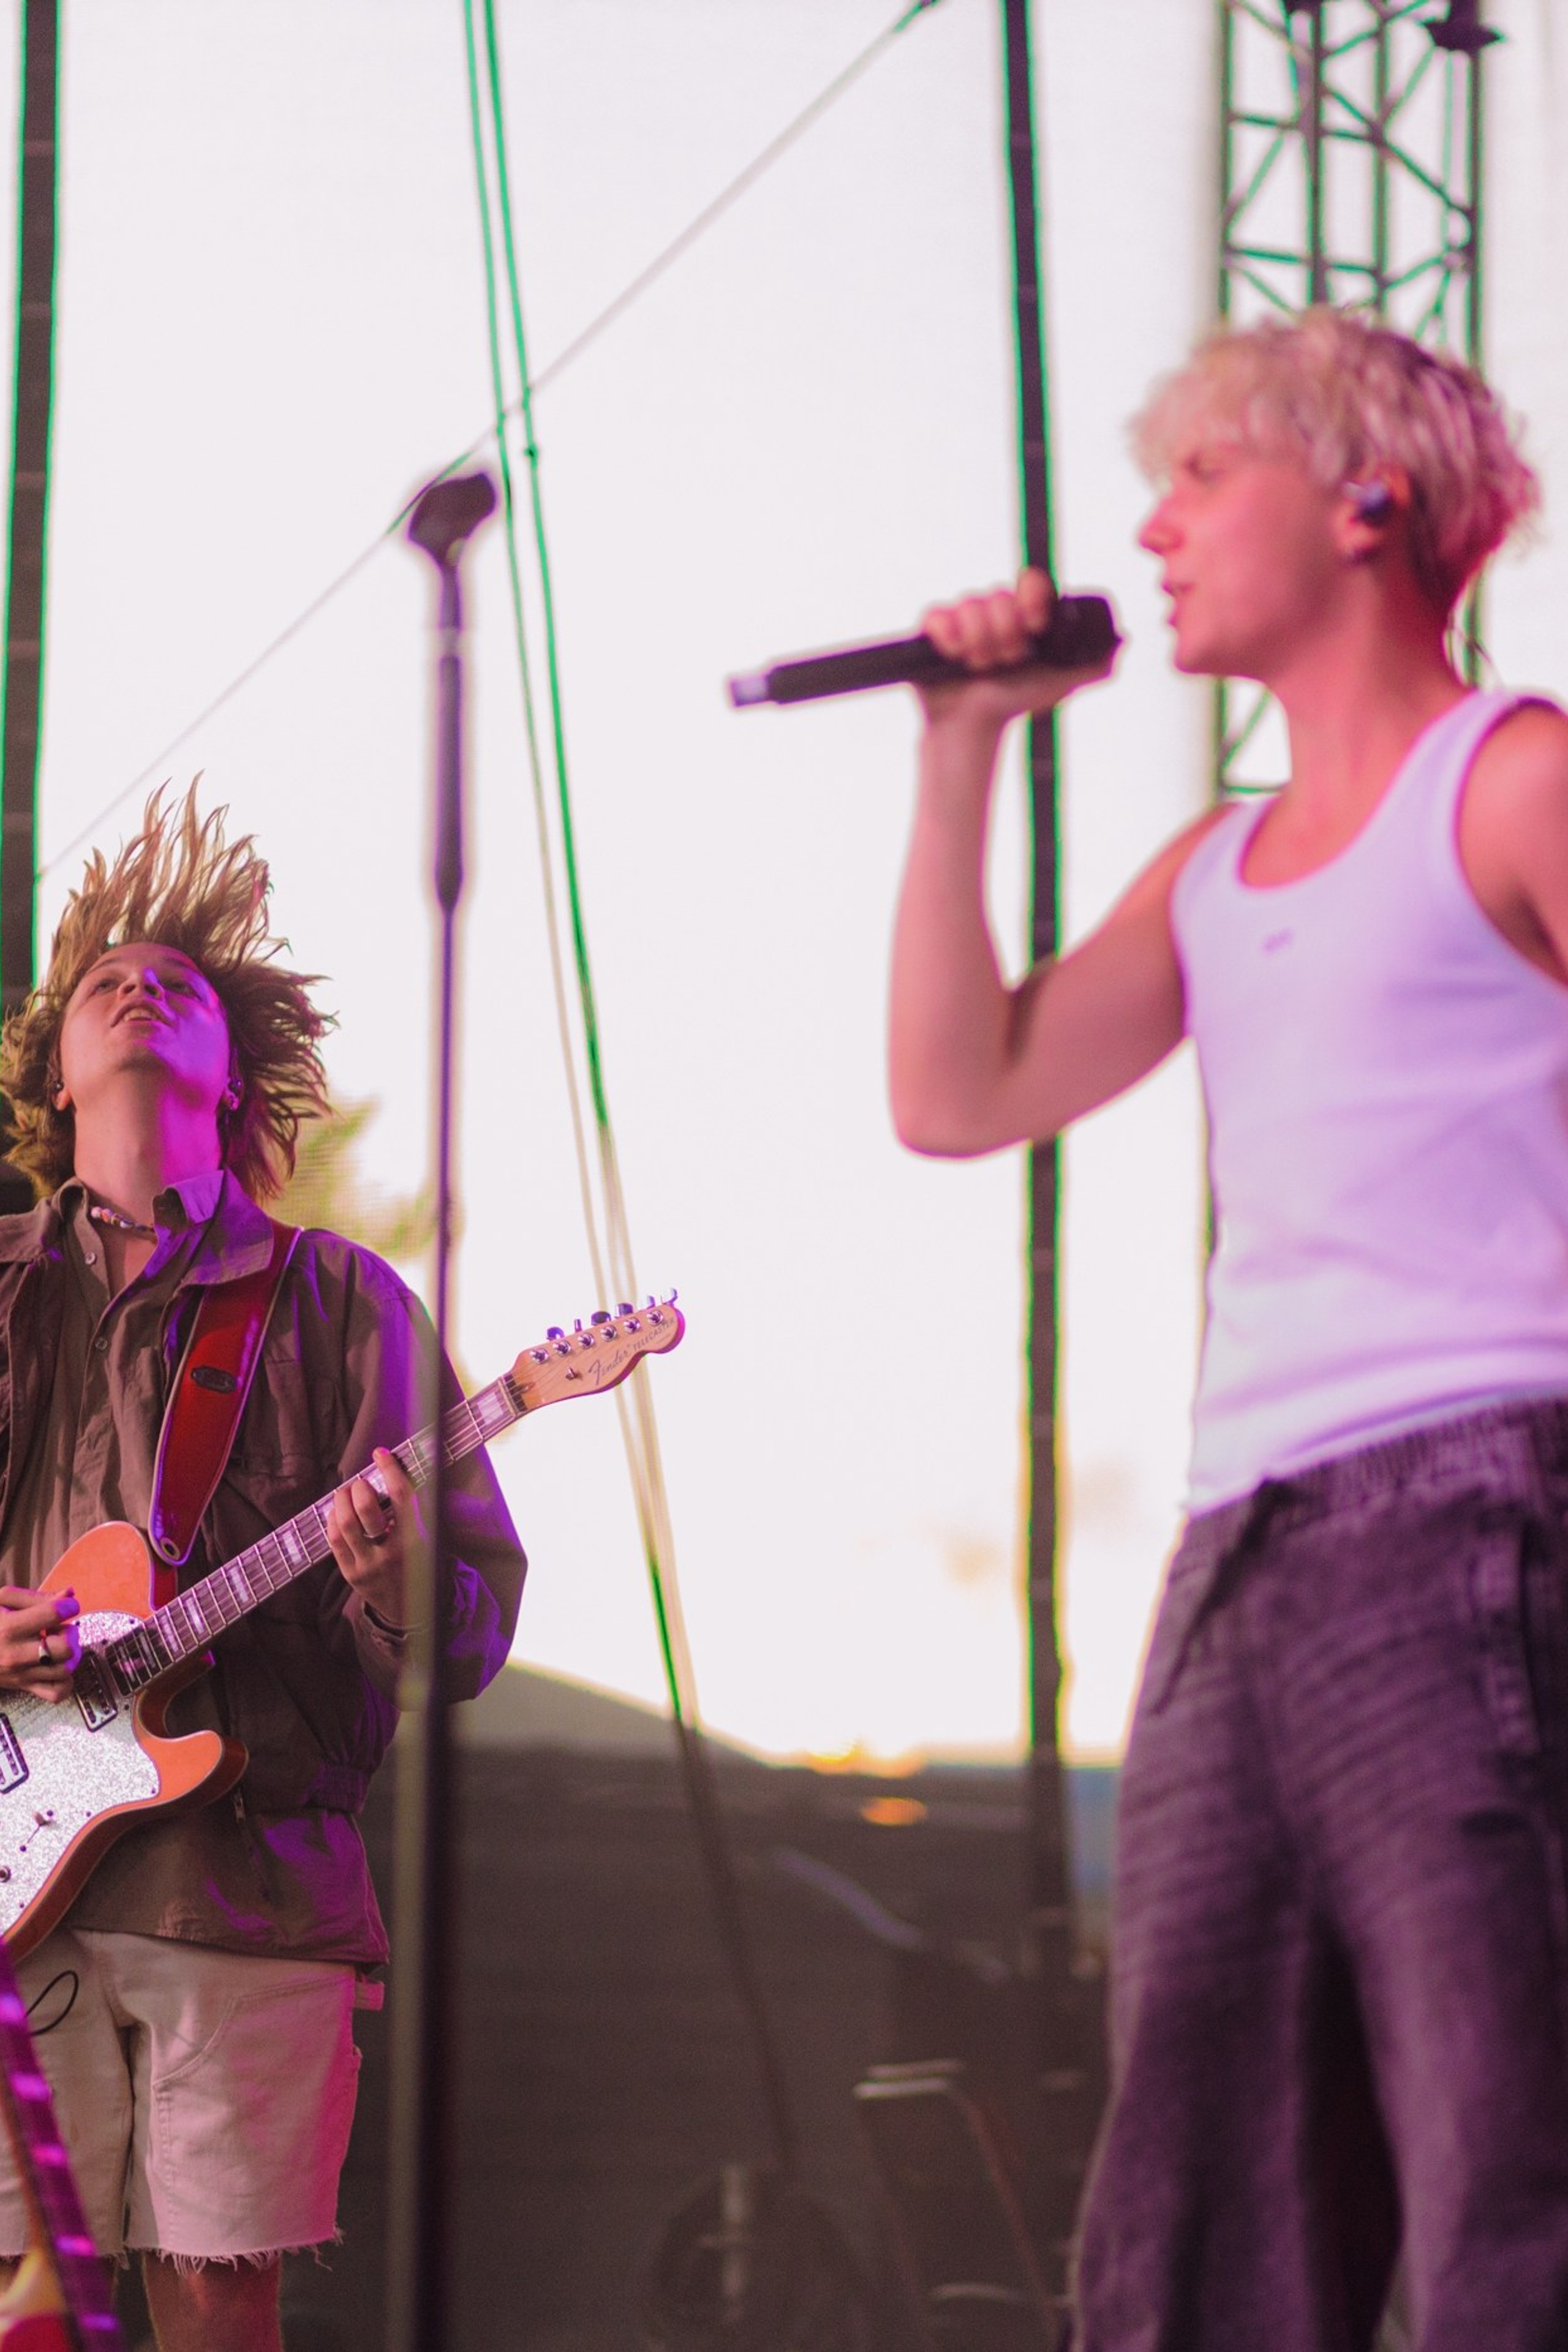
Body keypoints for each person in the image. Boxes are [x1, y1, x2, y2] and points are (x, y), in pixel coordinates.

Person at [889, 306, 1568, 2351]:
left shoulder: (1514, 782)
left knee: (1501, 2168)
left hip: (1478, 1514)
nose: (1154, 527)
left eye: (1202, 476)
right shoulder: (1215, 869)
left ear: (1367, 498)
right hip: (1235, 1570)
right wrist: (960, 750)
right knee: (1193, 2214)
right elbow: (959, 1092)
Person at [0, 790, 526, 2351]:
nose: (139, 981)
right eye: (104, 977)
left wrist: (393, 1571)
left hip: (252, 1889)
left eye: (183, 981)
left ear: (235, 1077)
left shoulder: (344, 1305)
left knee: (218, 2301)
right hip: (15, 1887)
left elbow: (468, 1631)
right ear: (51, 1068)